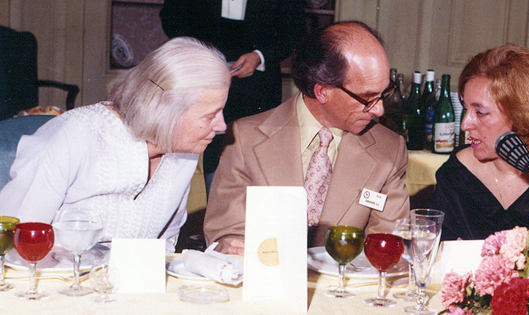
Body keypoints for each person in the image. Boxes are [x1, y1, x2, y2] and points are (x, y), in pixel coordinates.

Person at [0, 37, 230, 253]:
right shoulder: (76, 135)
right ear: (166, 110)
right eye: (210, 115)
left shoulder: (184, 154)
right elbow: (15, 242)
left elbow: (165, 248)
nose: (222, 126)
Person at [203, 21, 410, 255]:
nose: (380, 110)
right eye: (368, 98)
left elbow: (386, 247)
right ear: (322, 91)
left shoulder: (389, 150)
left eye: (384, 94)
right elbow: (225, 234)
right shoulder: (244, 139)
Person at [430, 44, 529, 241]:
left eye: (480, 112)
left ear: (522, 114)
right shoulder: (456, 175)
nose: (465, 124)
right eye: (466, 108)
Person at [160, 0, 306, 179]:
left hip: (258, 86)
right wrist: (198, 52)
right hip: (200, 76)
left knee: (252, 161)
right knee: (196, 159)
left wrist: (260, 56)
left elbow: (294, 33)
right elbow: (171, 17)